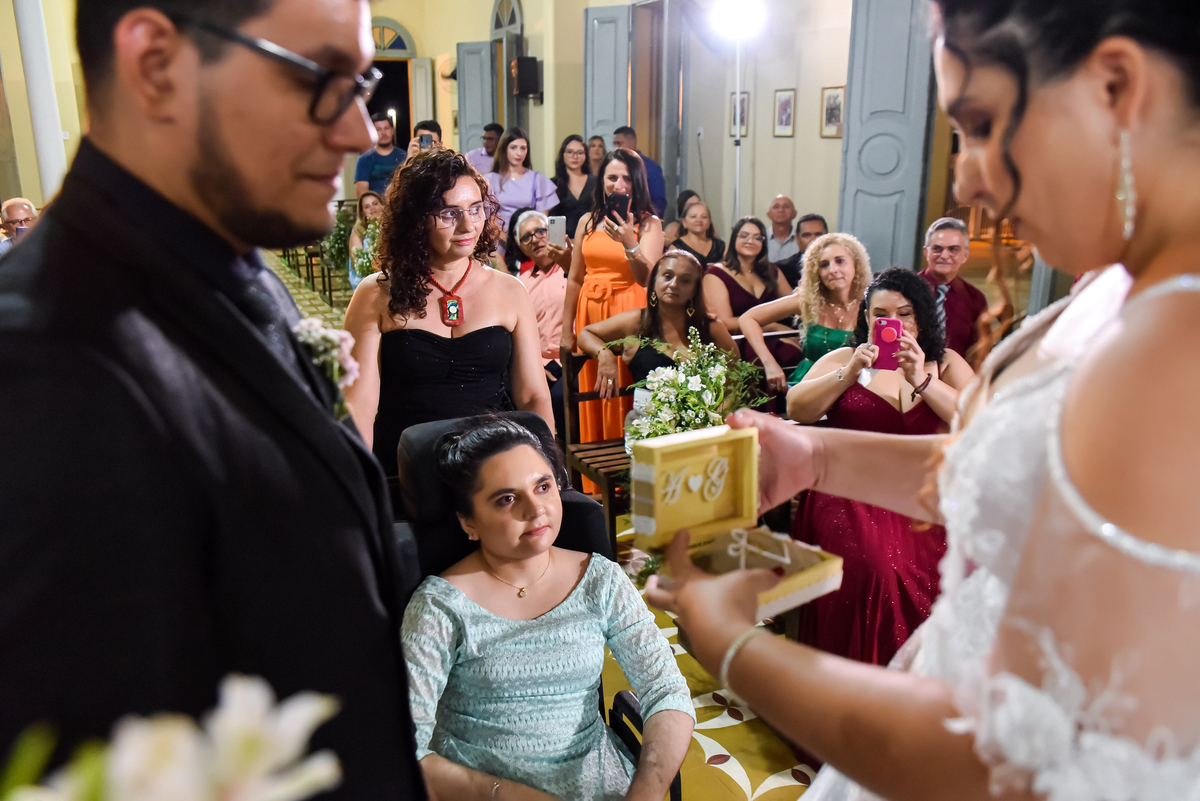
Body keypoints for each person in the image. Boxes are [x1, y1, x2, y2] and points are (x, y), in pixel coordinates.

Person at [643, 1, 1200, 799]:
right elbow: (1032, 487)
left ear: (1116, 87)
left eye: (981, 125)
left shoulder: (1173, 345)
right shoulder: (1122, 284)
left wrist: (732, 643)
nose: (965, 176)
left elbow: (996, 761)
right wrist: (821, 455)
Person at [0, 0, 429, 797]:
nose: (358, 132)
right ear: (157, 64)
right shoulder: (45, 363)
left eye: (362, 83)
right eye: (321, 78)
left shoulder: (236, 263)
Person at [403, 418, 694, 801]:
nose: (535, 509)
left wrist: (648, 788)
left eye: (543, 486)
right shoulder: (439, 606)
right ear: (468, 522)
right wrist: (506, 794)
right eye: (507, 499)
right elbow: (406, 749)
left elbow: (666, 689)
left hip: (598, 785)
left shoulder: (600, 580)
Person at [786, 268, 974, 667]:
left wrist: (921, 379)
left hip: (923, 494)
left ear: (921, 317)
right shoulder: (845, 358)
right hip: (850, 490)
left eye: (904, 313)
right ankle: (863, 680)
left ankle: (926, 679)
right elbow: (797, 407)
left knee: (961, 566)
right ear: (866, 317)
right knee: (879, 568)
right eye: (880, 313)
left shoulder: (945, 363)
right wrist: (848, 373)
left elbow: (978, 420)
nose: (893, 322)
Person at [343, 149, 553, 477]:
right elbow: (359, 406)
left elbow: (533, 396)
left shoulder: (510, 291)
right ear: (416, 217)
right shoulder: (375, 294)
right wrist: (357, 484)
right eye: (449, 213)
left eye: (476, 209)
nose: (468, 225)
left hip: (494, 471)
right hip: (407, 470)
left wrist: (548, 469)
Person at [560, 148, 664, 466]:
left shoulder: (649, 224)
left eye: (627, 178)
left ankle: (627, 472)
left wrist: (629, 240)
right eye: (612, 177)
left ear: (638, 182)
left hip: (628, 311)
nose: (619, 185)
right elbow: (574, 279)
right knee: (592, 393)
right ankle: (595, 480)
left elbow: (647, 278)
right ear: (601, 180)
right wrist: (566, 331)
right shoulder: (587, 221)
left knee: (626, 391)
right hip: (590, 312)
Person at [578, 250, 737, 395]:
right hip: (645, 416)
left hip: (704, 416)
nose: (674, 284)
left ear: (694, 290)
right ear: (654, 281)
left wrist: (716, 413)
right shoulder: (636, 321)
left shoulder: (711, 328)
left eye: (685, 280)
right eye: (667, 276)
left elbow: (735, 380)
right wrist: (604, 355)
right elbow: (586, 333)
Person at [740, 232, 871, 393]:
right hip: (806, 388)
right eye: (824, 265)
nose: (832, 270)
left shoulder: (871, 304)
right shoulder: (808, 301)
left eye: (840, 261)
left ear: (856, 264)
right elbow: (748, 319)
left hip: (853, 390)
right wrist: (769, 364)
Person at [507, 208, 571, 436]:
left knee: (559, 398)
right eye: (527, 236)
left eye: (541, 231)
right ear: (520, 246)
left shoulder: (572, 269)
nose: (535, 239)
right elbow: (519, 334)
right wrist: (535, 368)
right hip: (540, 365)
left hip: (574, 358)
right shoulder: (520, 284)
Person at [704, 217, 793, 339]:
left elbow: (793, 305)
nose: (750, 241)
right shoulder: (715, 274)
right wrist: (772, 326)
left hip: (775, 338)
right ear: (734, 239)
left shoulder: (772, 270)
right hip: (739, 342)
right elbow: (725, 323)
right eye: (744, 236)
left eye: (757, 238)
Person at [918, 217, 987, 360]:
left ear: (965, 255)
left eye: (953, 249)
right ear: (926, 252)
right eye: (937, 248)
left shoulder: (975, 299)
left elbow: (978, 352)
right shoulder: (904, 290)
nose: (944, 256)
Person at [484, 127, 558, 239]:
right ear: (504, 149)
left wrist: (524, 242)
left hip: (530, 240)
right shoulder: (490, 180)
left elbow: (542, 221)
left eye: (523, 148)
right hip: (499, 241)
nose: (519, 153)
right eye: (513, 148)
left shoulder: (538, 180)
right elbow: (490, 221)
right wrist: (510, 242)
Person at [548, 134, 596, 237]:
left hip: (590, 238)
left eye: (580, 152)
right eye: (570, 152)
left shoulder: (596, 182)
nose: (575, 157)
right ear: (563, 154)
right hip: (561, 240)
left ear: (586, 155)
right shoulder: (552, 184)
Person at [612, 126, 666, 217]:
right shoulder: (613, 166)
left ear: (632, 142)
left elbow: (658, 202)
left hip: (643, 220)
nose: (616, 148)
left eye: (620, 143)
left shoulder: (650, 168)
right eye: (615, 144)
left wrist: (646, 221)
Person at [355, 112, 404, 196]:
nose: (383, 133)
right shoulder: (364, 159)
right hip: (375, 204)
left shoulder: (404, 156)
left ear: (392, 130)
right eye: (378, 129)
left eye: (386, 128)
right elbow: (362, 195)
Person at [670, 200, 725, 266]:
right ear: (684, 222)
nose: (699, 220)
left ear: (710, 221)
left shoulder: (721, 246)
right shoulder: (676, 248)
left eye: (704, 217)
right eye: (693, 216)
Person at [348, 190, 383, 291]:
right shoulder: (359, 230)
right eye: (367, 207)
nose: (372, 208)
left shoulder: (392, 225)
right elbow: (357, 261)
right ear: (362, 213)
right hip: (366, 277)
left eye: (375, 203)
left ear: (382, 205)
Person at [765, 194, 800, 262]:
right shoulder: (761, 238)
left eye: (786, 206)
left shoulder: (801, 239)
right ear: (768, 214)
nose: (781, 210)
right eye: (776, 207)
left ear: (794, 214)